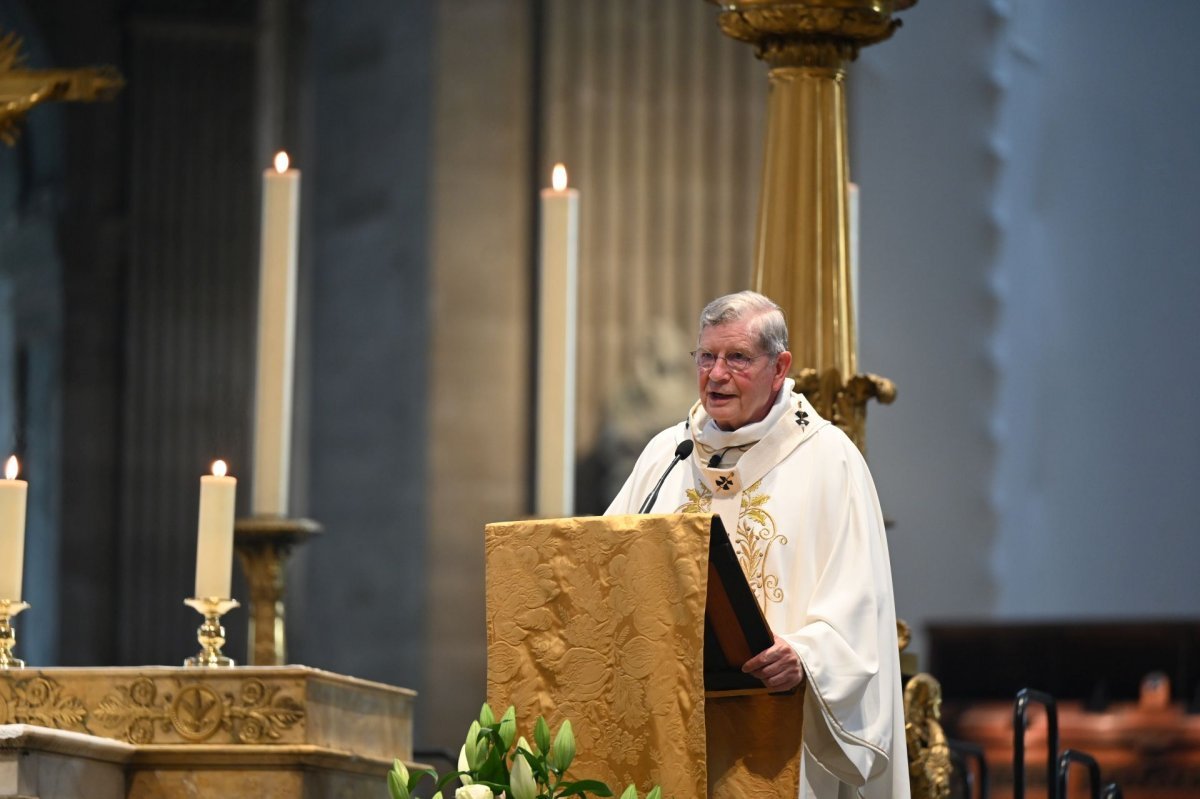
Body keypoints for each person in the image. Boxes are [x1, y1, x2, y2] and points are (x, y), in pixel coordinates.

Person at [606, 291, 910, 799]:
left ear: (779, 366)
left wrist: (807, 656)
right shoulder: (668, 454)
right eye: (706, 356)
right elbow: (608, 563)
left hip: (781, 725)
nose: (716, 374)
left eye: (738, 358)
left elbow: (863, 603)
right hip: (676, 723)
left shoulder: (829, 460)